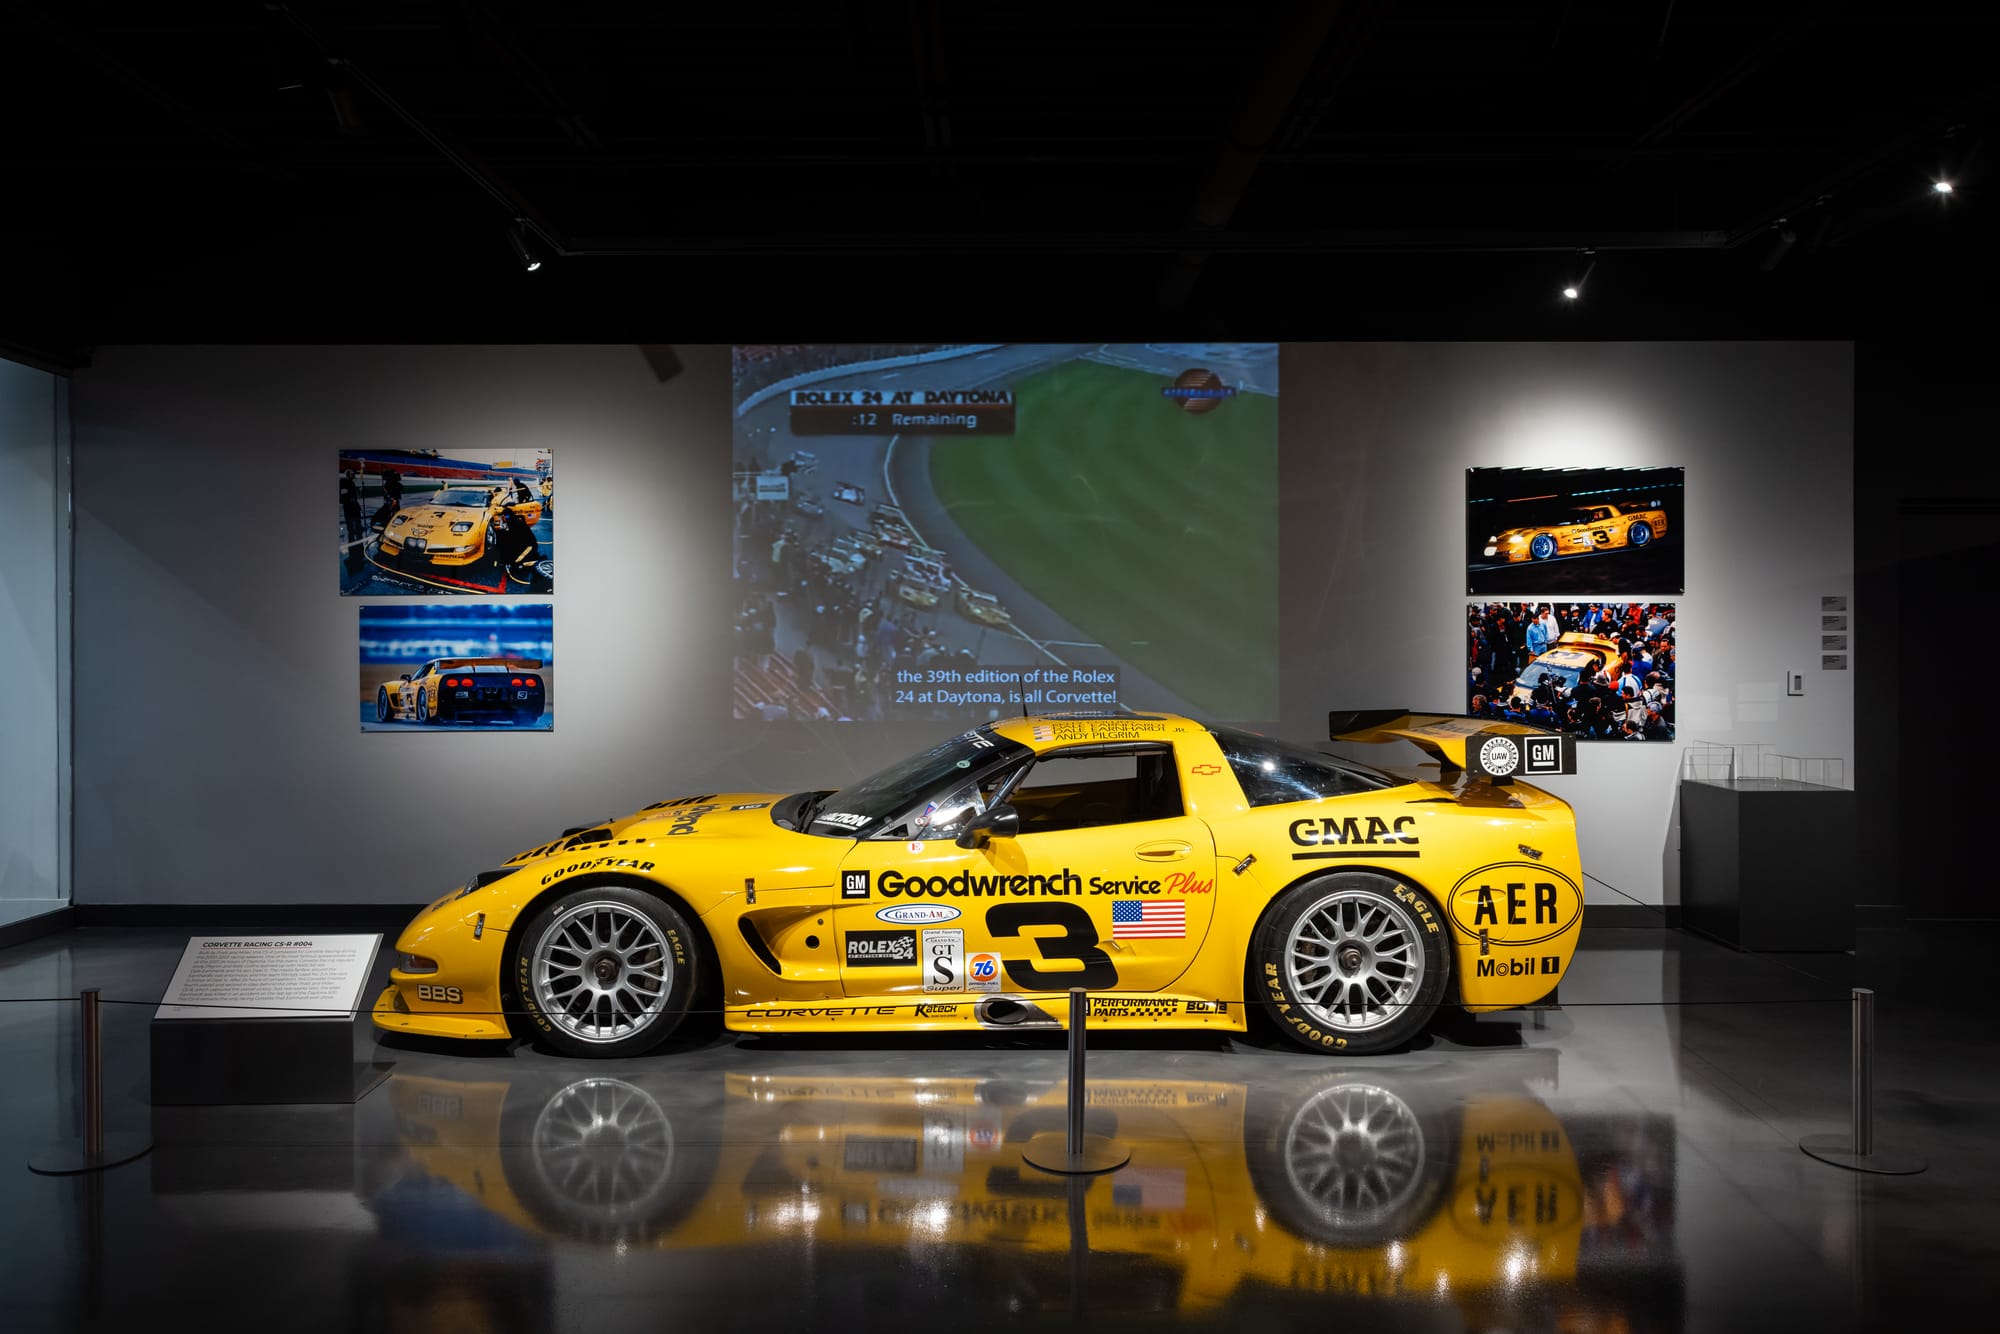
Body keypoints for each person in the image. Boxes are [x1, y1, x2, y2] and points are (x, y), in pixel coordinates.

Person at [339, 469, 362, 543]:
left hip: (354, 505)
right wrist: (349, 497)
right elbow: (343, 492)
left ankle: (358, 531)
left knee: (357, 519)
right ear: (347, 474)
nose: (353, 475)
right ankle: (352, 534)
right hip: (348, 505)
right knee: (350, 521)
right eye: (351, 474)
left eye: (353, 474)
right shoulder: (343, 481)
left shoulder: (351, 482)